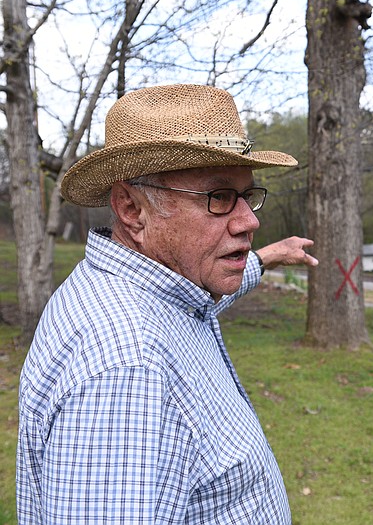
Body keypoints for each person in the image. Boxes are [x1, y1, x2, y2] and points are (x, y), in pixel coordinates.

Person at [16, 84, 318, 524]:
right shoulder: (128, 370)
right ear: (132, 209)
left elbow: (202, 306)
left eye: (247, 196)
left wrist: (268, 257)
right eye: (219, 197)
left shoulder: (162, 292)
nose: (250, 220)